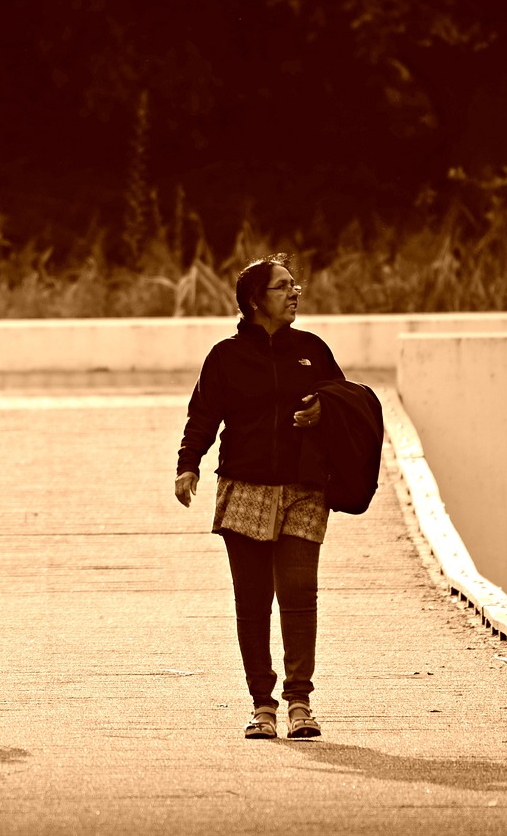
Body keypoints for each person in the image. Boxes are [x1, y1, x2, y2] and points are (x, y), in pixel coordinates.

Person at [174, 253, 344, 741]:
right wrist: (189, 464)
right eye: (283, 287)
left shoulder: (312, 349)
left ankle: (300, 702)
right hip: (244, 489)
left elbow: (342, 400)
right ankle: (262, 705)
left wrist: (322, 413)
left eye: (295, 286)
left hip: (303, 490)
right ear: (254, 301)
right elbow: (204, 413)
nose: (295, 293)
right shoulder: (226, 357)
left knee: (298, 596)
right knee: (253, 603)